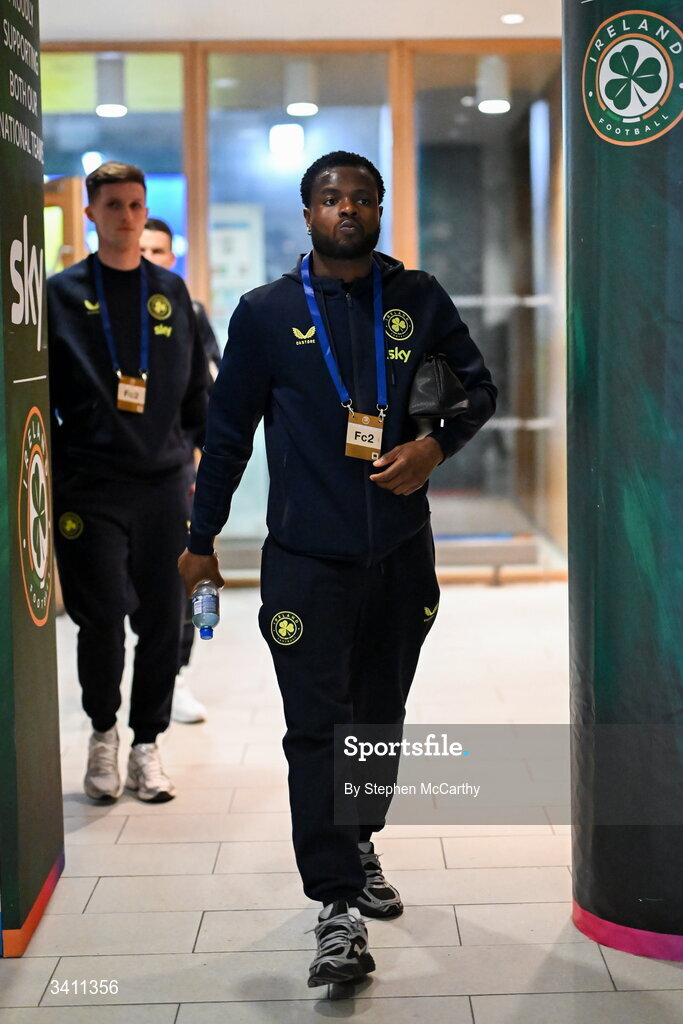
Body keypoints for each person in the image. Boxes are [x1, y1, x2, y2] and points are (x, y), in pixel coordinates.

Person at [177, 150, 496, 988]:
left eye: (361, 197)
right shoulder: (264, 312)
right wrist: (200, 537)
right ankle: (337, 908)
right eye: (330, 198)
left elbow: (478, 389)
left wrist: (433, 447)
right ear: (307, 212)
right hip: (305, 565)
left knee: (379, 715)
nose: (346, 209)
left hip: (400, 554)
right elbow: (228, 434)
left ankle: (359, 840)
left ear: (380, 208)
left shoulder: (419, 299)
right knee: (317, 728)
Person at [48, 161, 208, 804]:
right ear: (90, 213)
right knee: (101, 622)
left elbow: (198, 394)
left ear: (146, 212)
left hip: (164, 486)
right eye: (112, 204)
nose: (125, 215)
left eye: (135, 204)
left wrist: (193, 460)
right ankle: (103, 735)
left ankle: (147, 744)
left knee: (165, 621)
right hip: (90, 484)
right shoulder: (61, 296)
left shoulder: (171, 294)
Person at [140, 216, 222, 724]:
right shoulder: (101, 311)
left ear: (173, 257)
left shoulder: (188, 312)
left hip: (178, 472)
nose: (150, 258)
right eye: (143, 250)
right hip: (121, 474)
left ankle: (178, 676)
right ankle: (146, 673)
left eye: (159, 251)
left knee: (188, 579)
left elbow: (212, 383)